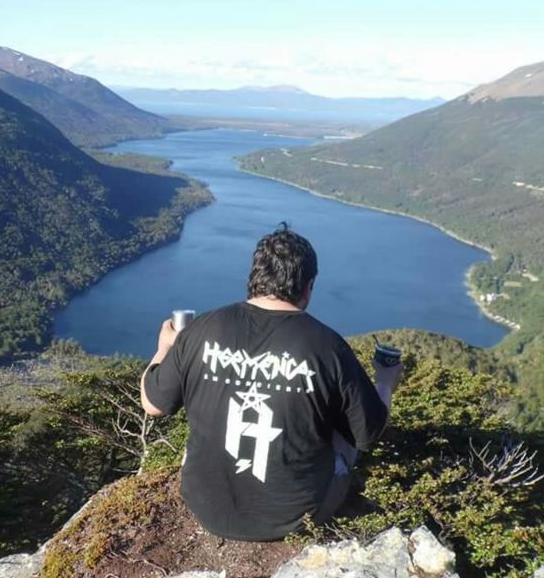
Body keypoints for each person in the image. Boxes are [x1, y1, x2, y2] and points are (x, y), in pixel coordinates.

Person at [140, 224, 403, 541]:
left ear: (254, 278)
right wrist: (385, 381)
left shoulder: (201, 330)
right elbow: (368, 434)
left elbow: (152, 405)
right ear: (309, 286)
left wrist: (164, 347)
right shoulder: (328, 347)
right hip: (296, 518)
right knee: (344, 429)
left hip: (205, 507)